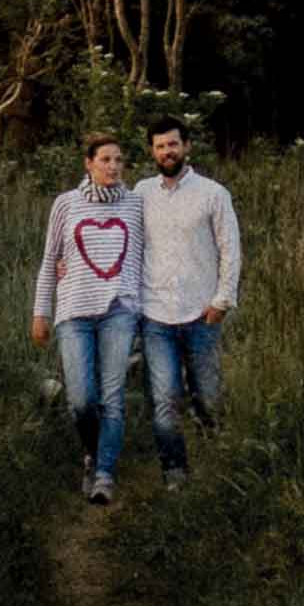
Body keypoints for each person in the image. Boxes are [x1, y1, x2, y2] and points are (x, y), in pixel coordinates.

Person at [126, 121, 243, 479]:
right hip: (155, 314)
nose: (167, 152)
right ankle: (174, 470)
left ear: (187, 146)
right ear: (152, 151)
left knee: (207, 395)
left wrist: (223, 299)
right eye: (160, 146)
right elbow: (121, 240)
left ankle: (214, 449)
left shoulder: (213, 194)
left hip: (200, 313)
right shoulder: (140, 193)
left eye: (173, 144)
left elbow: (230, 249)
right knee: (163, 400)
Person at [32, 135, 143, 504]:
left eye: (119, 160)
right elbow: (51, 260)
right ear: (89, 163)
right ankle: (92, 453)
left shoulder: (135, 205)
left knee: (112, 398)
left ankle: (104, 475)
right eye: (105, 159)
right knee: (81, 399)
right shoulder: (66, 203)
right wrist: (40, 312)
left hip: (119, 312)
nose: (113, 166)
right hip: (74, 313)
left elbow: (149, 258)